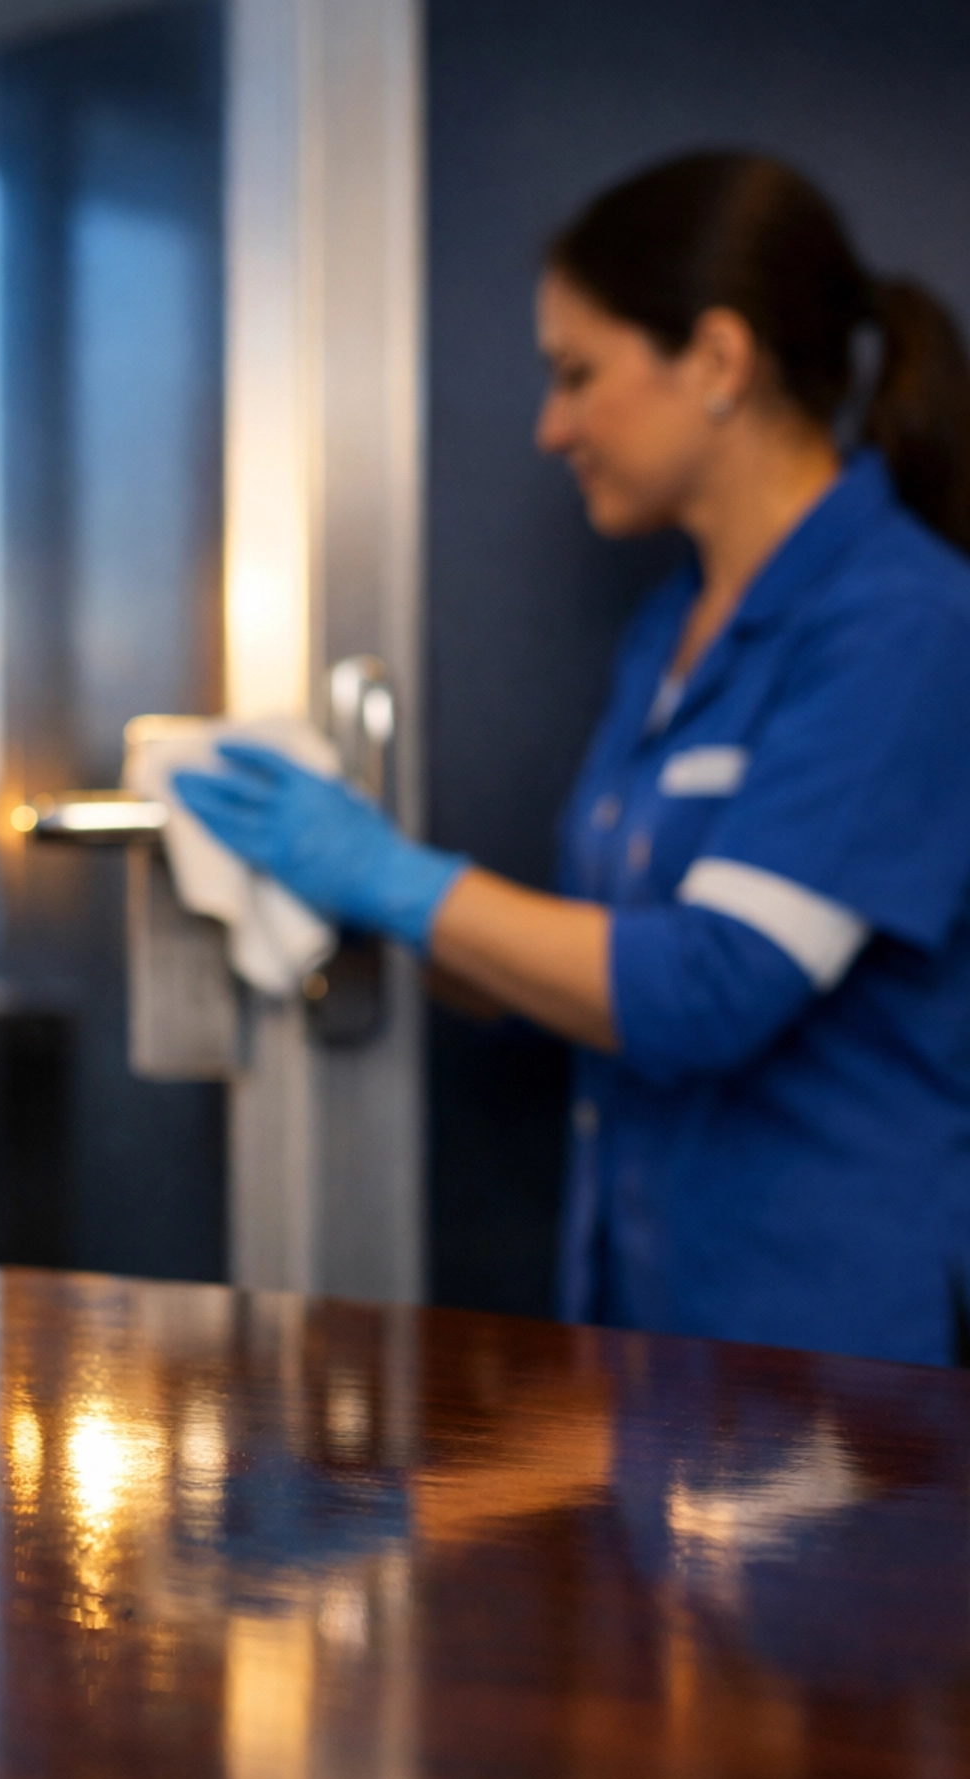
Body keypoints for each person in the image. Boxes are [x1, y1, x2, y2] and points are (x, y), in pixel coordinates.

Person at [176, 152, 970, 1367]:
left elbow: (711, 985)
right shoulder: (673, 630)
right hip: (651, 1333)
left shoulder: (905, 625)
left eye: (576, 374)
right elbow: (601, 961)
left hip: (837, 1363)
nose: (553, 426)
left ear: (715, 360)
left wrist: (395, 877)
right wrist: (350, 896)